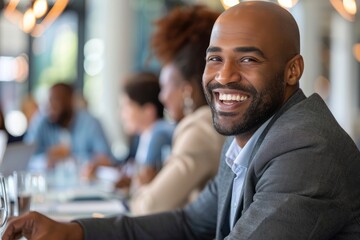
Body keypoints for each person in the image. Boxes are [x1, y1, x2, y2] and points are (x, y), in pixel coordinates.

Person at [3, 1, 360, 239]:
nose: (223, 76)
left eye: (248, 60)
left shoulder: (305, 146)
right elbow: (189, 223)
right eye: (215, 58)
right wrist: (74, 232)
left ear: (292, 71)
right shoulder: (247, 140)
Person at [127, 4, 225, 215]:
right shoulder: (212, 121)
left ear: (185, 90)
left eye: (165, 87)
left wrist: (143, 187)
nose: (162, 97)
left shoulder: (201, 128)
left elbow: (149, 208)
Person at [105, 72, 175, 192]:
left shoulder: (159, 133)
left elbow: (143, 183)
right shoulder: (145, 136)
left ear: (148, 111)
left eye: (127, 106)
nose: (121, 114)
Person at [23, 82, 114, 173]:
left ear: (70, 101)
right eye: (50, 101)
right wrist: (48, 156)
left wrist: (74, 159)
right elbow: (24, 157)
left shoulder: (90, 123)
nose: (51, 106)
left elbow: (106, 158)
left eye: (56, 100)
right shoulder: (42, 121)